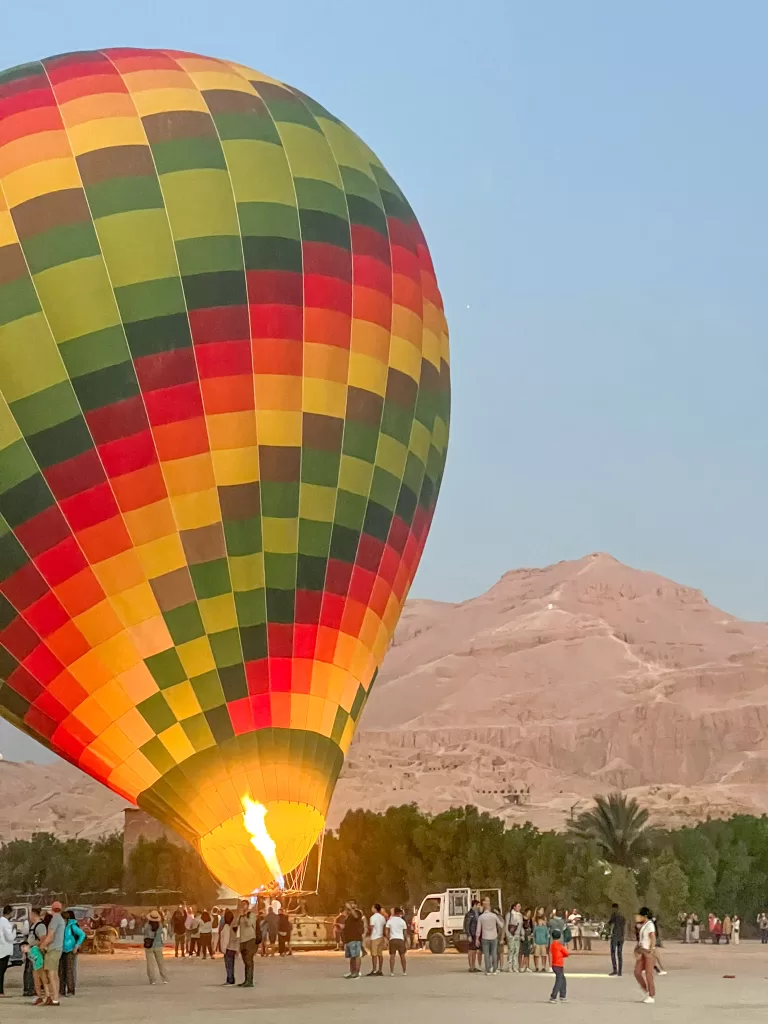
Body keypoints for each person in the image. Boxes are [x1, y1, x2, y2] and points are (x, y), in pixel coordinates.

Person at [40, 900, 65, 1006]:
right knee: (54, 974)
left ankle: (54, 998)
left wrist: (43, 945)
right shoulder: (61, 919)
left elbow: (51, 935)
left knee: (51, 974)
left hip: (53, 948)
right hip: (58, 948)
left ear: (52, 909)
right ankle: (55, 997)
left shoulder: (55, 919)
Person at [634, 907, 657, 1004]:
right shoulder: (644, 925)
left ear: (645, 916)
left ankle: (651, 995)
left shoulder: (650, 925)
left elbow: (652, 937)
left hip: (647, 951)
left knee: (648, 974)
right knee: (637, 972)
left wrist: (651, 949)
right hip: (642, 950)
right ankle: (646, 989)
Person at [59, 910, 85, 996]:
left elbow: (82, 935)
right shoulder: (61, 927)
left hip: (70, 950)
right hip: (61, 950)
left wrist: (76, 946)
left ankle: (70, 990)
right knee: (61, 971)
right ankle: (61, 990)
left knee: (69, 970)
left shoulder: (72, 926)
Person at [237, 901, 259, 988]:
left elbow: (249, 924)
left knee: (249, 960)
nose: (242, 906)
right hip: (242, 940)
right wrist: (238, 915)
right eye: (241, 905)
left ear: (247, 906)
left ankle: (250, 981)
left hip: (250, 939)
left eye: (244, 905)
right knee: (245, 961)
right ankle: (246, 980)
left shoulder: (251, 915)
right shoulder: (240, 916)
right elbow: (236, 925)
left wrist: (244, 916)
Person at [143, 910, 168, 985]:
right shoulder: (160, 925)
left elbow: (145, 934)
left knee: (150, 964)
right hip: (158, 945)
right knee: (161, 963)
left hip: (149, 946)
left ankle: (152, 980)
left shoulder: (147, 926)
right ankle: (164, 979)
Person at [475, 897, 499, 975]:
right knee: (494, 953)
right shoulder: (494, 915)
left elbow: (478, 929)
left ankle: (488, 970)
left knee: (486, 954)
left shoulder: (481, 917)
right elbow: (501, 924)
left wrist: (477, 939)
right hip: (494, 936)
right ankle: (495, 969)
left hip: (485, 937)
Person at [342, 901, 365, 979]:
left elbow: (356, 917)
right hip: (349, 939)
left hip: (355, 938)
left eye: (352, 903)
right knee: (352, 957)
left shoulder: (357, 912)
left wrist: (350, 908)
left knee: (356, 956)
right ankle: (352, 972)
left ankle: (357, 972)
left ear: (355, 905)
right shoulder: (348, 915)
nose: (350, 904)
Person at [386, 907, 408, 976]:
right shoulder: (402, 921)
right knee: (402, 956)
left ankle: (392, 972)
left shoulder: (390, 921)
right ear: (399, 913)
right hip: (400, 939)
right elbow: (405, 933)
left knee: (392, 956)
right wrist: (406, 941)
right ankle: (404, 971)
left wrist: (388, 938)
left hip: (393, 939)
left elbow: (386, 931)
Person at [549, 929, 569, 1003]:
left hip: (554, 964)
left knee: (562, 980)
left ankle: (562, 996)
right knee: (559, 981)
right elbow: (566, 953)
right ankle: (553, 996)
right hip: (559, 964)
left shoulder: (552, 945)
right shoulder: (559, 945)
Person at [367, 903, 387, 977]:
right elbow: (384, 926)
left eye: (372, 907)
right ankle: (380, 970)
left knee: (374, 955)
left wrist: (369, 936)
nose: (371, 909)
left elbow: (372, 927)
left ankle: (374, 970)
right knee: (380, 954)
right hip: (381, 936)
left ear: (375, 909)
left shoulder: (373, 917)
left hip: (374, 937)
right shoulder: (382, 917)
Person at [220, 910, 238, 985]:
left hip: (228, 948)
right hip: (233, 947)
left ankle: (230, 979)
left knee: (228, 965)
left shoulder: (226, 927)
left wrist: (224, 948)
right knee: (231, 964)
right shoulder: (233, 926)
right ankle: (231, 978)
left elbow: (226, 938)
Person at [608, 903, 626, 977]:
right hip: (621, 936)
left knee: (613, 952)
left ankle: (615, 969)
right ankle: (620, 971)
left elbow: (609, 923)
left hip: (615, 936)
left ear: (614, 908)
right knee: (619, 953)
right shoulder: (622, 916)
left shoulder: (614, 915)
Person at [505, 901, 523, 973]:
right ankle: (510, 966)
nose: (519, 908)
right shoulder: (509, 914)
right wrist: (508, 934)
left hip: (517, 935)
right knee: (511, 950)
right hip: (511, 934)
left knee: (516, 951)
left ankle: (515, 966)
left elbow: (521, 926)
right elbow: (506, 925)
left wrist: (522, 934)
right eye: (518, 906)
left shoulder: (520, 915)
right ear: (514, 907)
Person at [463, 899, 480, 973]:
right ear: (475, 905)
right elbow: (467, 925)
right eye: (478, 905)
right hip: (472, 934)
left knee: (475, 951)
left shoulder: (477, 913)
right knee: (471, 950)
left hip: (476, 934)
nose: (479, 907)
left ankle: (474, 966)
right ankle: (471, 967)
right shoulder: (470, 914)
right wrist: (468, 935)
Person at [0, 905, 14, 997]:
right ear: (10, 913)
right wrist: (15, 930)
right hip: (4, 949)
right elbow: (10, 937)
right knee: (1, 970)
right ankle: (0, 991)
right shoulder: (6, 923)